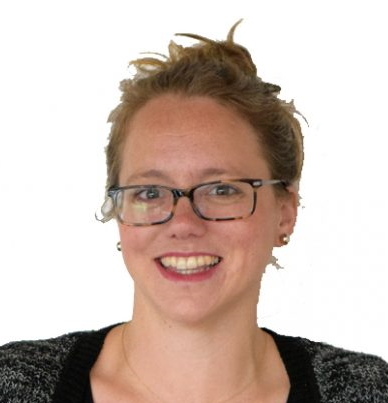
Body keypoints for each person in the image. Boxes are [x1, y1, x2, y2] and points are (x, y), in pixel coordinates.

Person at [1, 21, 387, 403]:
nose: (183, 223)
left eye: (222, 190)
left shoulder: (365, 391)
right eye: (150, 191)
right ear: (120, 212)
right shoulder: (14, 385)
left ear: (285, 212)